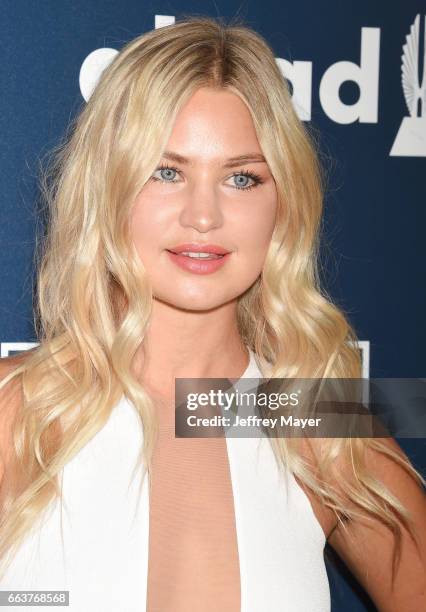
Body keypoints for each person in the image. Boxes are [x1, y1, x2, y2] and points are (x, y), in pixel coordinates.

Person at [0, 15, 425, 612]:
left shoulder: (322, 425)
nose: (204, 215)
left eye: (242, 178)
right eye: (167, 171)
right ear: (108, 186)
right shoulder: (16, 413)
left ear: (283, 203)